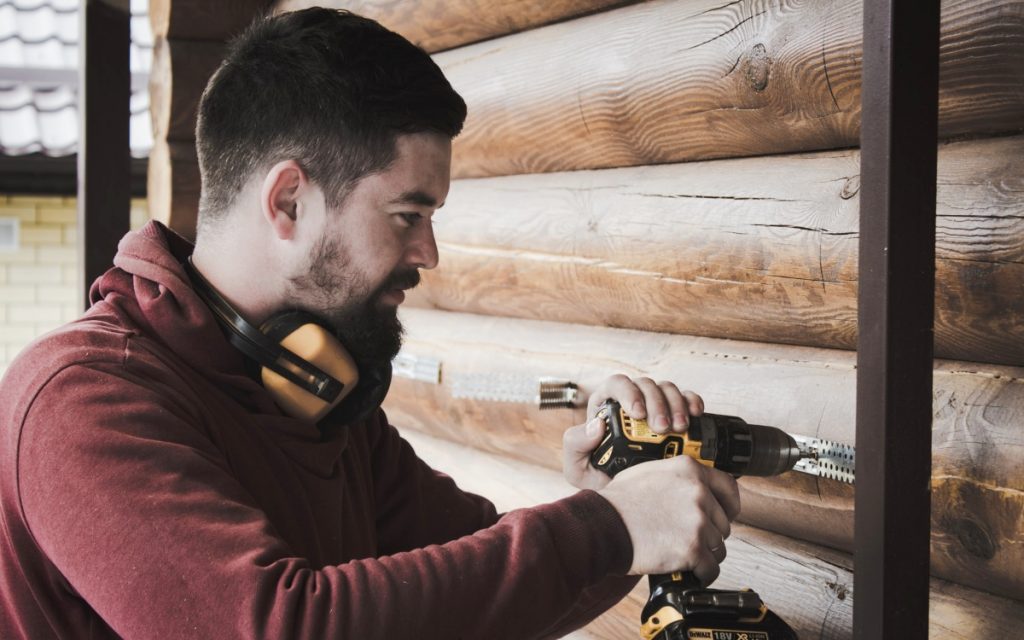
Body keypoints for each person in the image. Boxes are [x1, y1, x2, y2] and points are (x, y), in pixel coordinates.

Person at [0, 8, 740, 639]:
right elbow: (276, 625)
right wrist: (604, 529)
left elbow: (480, 590)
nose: (429, 252)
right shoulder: (82, 398)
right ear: (289, 201)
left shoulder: (318, 394)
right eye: (407, 214)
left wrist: (608, 507)